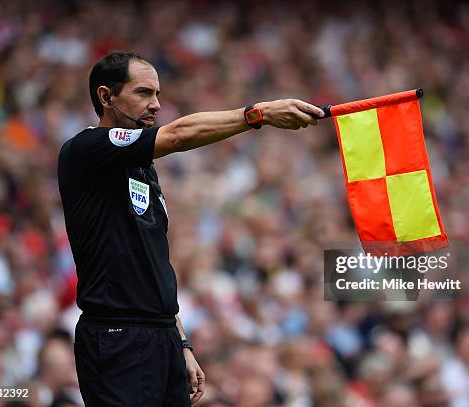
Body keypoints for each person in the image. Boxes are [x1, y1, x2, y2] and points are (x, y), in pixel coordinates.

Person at [57, 50, 324, 406]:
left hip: (161, 334)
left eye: (158, 94)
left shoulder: (143, 170)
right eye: (143, 93)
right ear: (106, 97)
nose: (155, 105)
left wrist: (179, 340)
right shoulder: (84, 150)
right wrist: (260, 114)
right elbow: (180, 135)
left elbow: (153, 263)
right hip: (115, 335)